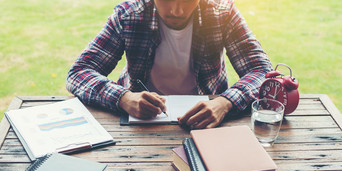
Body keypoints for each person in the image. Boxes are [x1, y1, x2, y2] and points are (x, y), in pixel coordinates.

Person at [66, 0, 272, 129]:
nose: (176, 10)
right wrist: (123, 97)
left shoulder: (222, 12)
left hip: (208, 123)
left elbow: (262, 71)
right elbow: (79, 73)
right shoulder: (128, 15)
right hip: (142, 125)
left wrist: (225, 103)